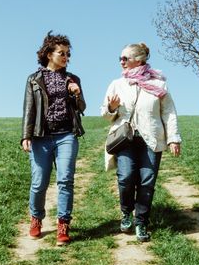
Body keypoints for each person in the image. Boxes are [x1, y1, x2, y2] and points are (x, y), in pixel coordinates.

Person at [100, 42, 181, 242]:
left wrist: (173, 138)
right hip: (125, 138)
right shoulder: (117, 84)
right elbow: (105, 114)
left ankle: (141, 222)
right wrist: (111, 108)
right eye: (120, 58)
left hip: (151, 138)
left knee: (147, 181)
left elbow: (169, 112)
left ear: (140, 60)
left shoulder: (159, 84)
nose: (121, 61)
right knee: (126, 177)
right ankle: (126, 212)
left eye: (125, 58)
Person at [21, 31, 86, 245]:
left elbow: (81, 107)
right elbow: (29, 109)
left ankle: (63, 224)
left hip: (66, 135)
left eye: (68, 53)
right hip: (41, 137)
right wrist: (26, 136)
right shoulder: (34, 79)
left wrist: (76, 93)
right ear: (49, 54)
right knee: (39, 182)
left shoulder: (73, 79)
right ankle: (36, 218)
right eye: (61, 53)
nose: (66, 57)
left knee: (65, 180)